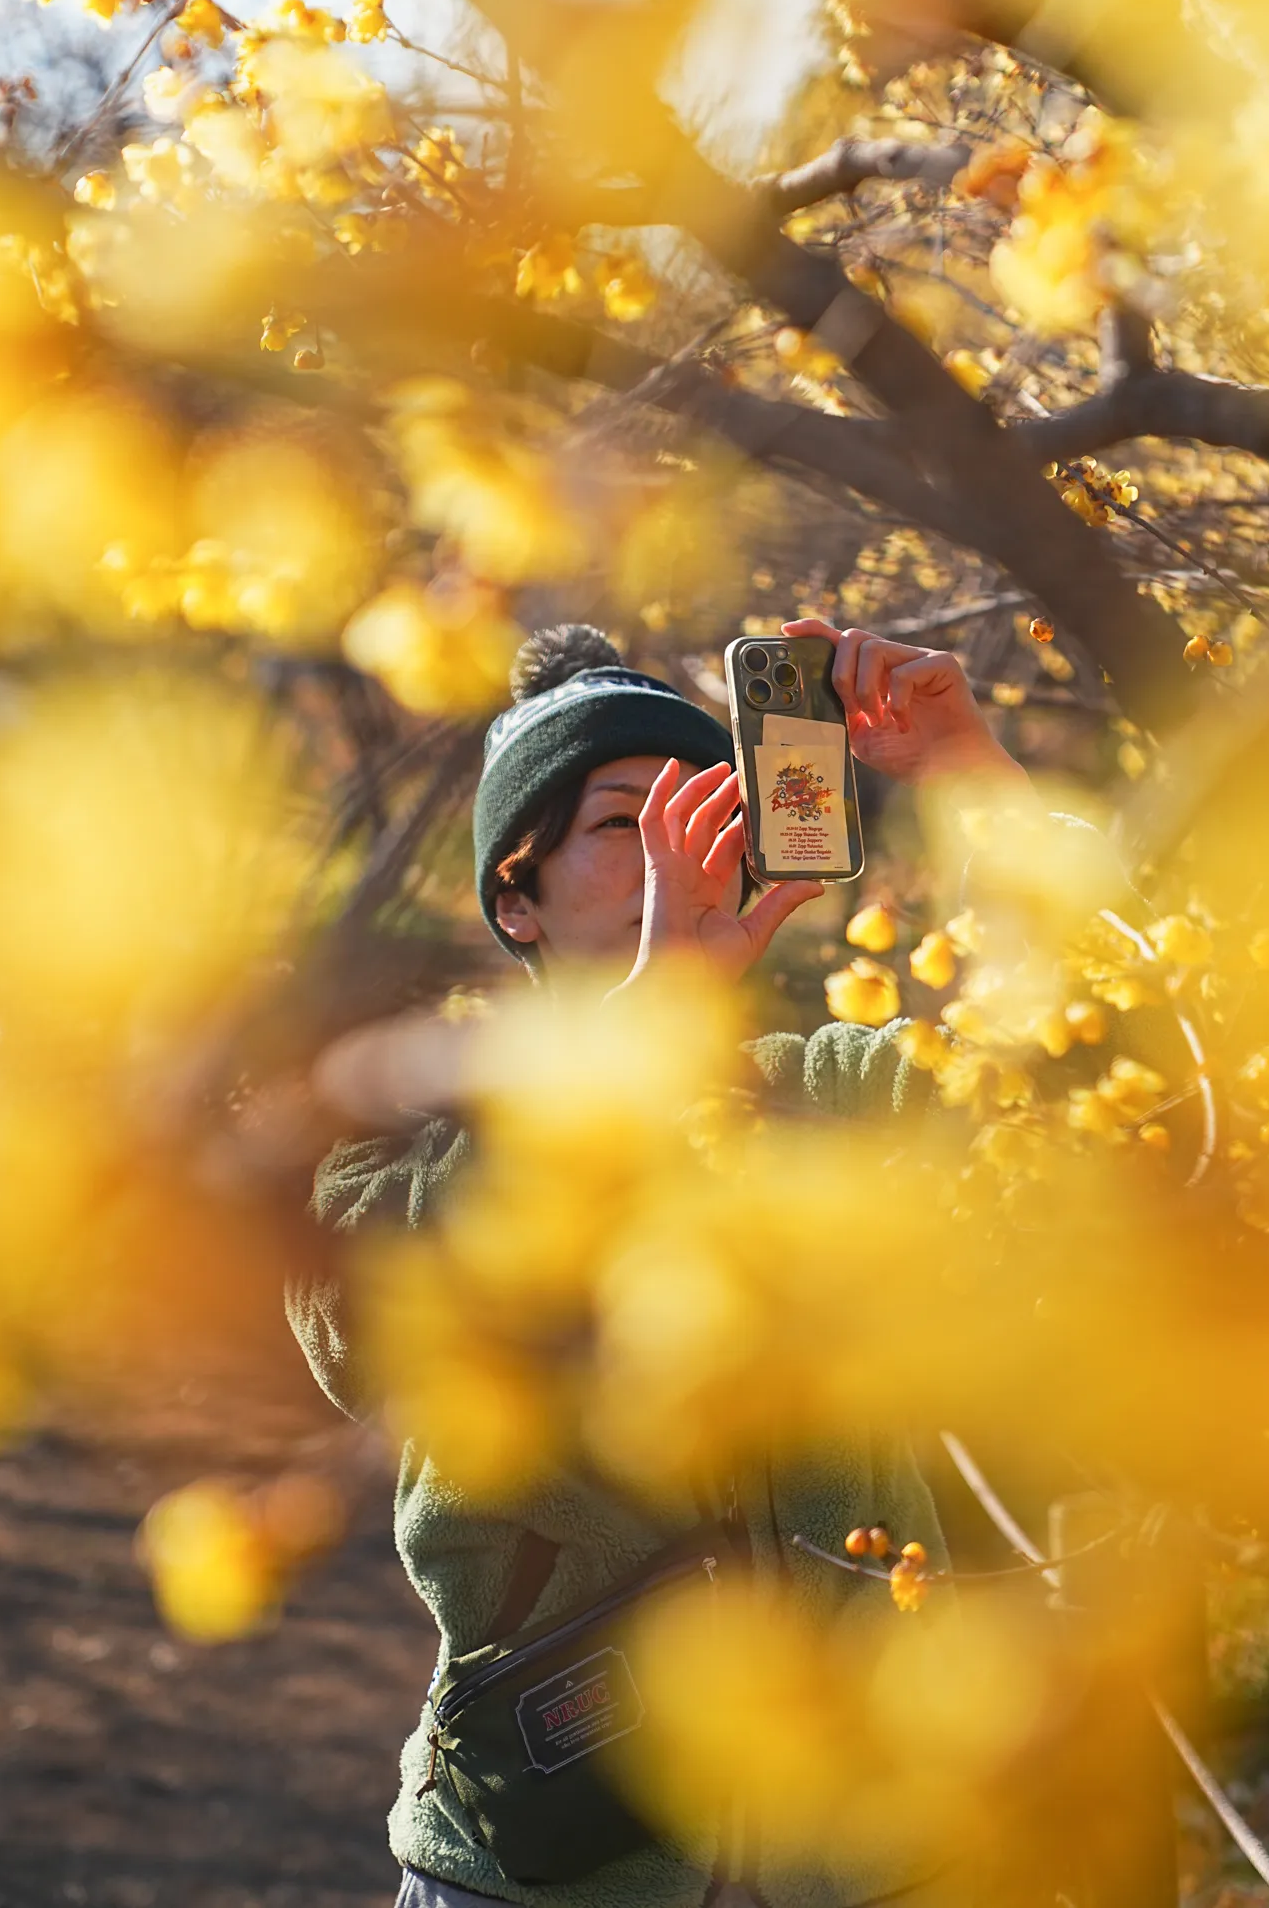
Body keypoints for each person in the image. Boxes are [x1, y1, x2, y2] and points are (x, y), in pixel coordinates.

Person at [289, 619, 1026, 1908]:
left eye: (712, 810)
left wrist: (975, 784)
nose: (683, 850)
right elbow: (361, 1326)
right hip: (546, 1857)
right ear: (515, 895)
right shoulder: (426, 1122)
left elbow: (1097, 1088)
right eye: (625, 823)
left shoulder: (831, 1090)